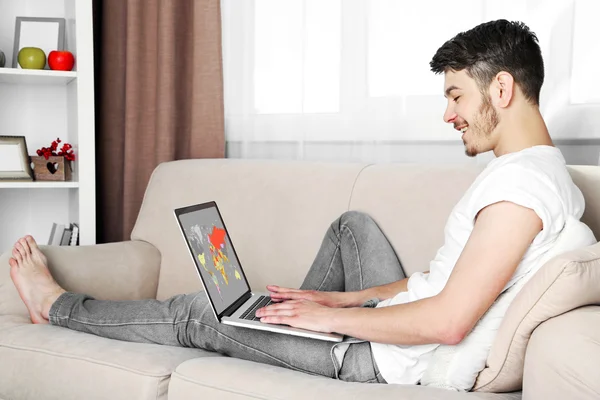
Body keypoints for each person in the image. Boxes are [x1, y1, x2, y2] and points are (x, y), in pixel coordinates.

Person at [7, 19, 593, 385]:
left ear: (502, 88)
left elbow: (446, 322)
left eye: (455, 94)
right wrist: (337, 298)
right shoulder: (533, 172)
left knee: (197, 315)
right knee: (351, 226)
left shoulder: (519, 192)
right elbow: (444, 283)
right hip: (388, 322)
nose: (448, 114)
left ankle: (57, 305)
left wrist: (329, 321)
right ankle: (275, 332)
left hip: (387, 359)